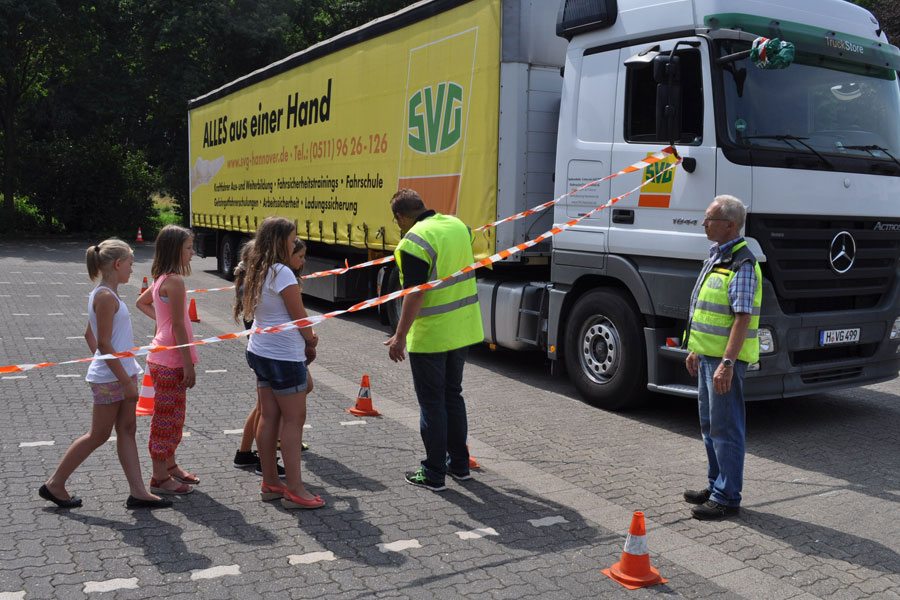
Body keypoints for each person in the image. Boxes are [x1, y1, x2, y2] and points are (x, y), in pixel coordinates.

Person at [39, 239, 171, 509]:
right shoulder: (105, 296)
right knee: (98, 435)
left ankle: (138, 492)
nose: (132, 270)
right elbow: (103, 342)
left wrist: (111, 366)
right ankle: (55, 484)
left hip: (119, 372)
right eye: (131, 264)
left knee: (127, 430)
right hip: (113, 378)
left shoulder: (107, 293)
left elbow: (90, 335)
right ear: (118, 264)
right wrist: (121, 378)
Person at [384, 189, 484, 491]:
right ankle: (460, 466)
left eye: (396, 221)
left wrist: (399, 337)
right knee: (453, 396)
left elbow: (415, 294)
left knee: (432, 403)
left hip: (432, 336)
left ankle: (434, 473)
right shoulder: (458, 225)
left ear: (400, 217)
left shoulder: (413, 242)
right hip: (463, 330)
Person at [683, 195, 762, 520]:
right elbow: (708, 312)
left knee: (726, 429)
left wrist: (727, 364)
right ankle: (716, 486)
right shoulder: (718, 257)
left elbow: (742, 318)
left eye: (709, 219)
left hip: (723, 363)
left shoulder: (741, 263)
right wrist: (696, 349)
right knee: (711, 427)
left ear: (729, 225)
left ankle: (727, 497)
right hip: (708, 357)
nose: (704, 224)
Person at [242, 218, 323, 509]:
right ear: (279, 241)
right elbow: (300, 317)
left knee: (268, 416)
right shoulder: (282, 272)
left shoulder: (257, 267)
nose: (293, 244)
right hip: (284, 355)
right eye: (291, 239)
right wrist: (311, 341)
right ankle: (295, 489)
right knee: (293, 420)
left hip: (260, 350)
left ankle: (270, 482)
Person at [136, 225, 199, 495]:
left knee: (174, 417)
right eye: (188, 248)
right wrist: (188, 364)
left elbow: (142, 302)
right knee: (165, 419)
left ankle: (170, 465)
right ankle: (159, 476)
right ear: (175, 250)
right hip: (170, 360)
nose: (193, 253)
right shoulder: (174, 282)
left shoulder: (161, 278)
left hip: (161, 357)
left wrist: (162, 324)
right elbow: (179, 325)